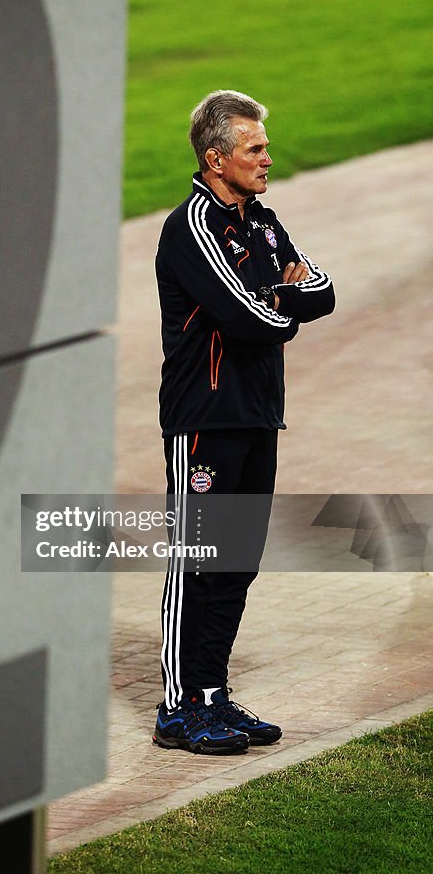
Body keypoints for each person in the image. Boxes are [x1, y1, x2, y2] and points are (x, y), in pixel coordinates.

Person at [153, 90, 335, 754]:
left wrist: (276, 297)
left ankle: (211, 697)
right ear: (215, 157)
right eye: (253, 148)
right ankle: (177, 708)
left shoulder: (261, 221)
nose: (266, 157)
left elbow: (325, 290)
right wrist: (281, 301)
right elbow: (246, 317)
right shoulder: (191, 226)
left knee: (234, 564)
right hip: (203, 417)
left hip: (258, 413)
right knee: (196, 560)